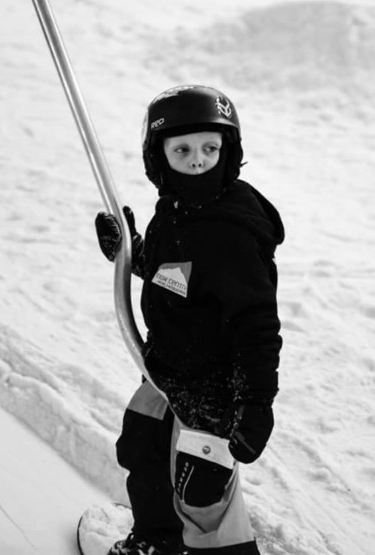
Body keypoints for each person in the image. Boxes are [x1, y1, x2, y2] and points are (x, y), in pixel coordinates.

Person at [94, 85, 284, 555]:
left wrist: (256, 402)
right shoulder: (178, 212)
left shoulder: (231, 233)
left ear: (230, 150)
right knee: (145, 454)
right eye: (182, 150)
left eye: (210, 148)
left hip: (215, 393)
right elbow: (175, 277)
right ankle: (157, 544)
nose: (198, 160)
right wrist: (131, 254)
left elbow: (257, 325)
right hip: (166, 377)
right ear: (159, 158)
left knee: (203, 496)